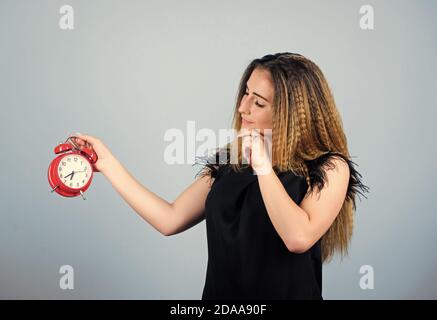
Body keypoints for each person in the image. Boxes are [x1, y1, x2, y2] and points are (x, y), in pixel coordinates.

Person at [72, 52, 369, 300]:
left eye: (259, 102)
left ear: (290, 113)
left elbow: (298, 237)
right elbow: (169, 218)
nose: (242, 107)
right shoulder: (230, 165)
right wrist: (107, 163)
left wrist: (264, 165)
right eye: (246, 94)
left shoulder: (330, 169)